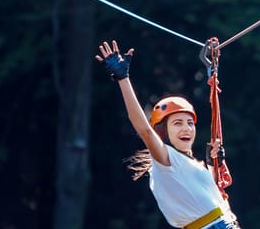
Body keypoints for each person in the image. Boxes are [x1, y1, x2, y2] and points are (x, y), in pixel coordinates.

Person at [95, 40, 240, 229]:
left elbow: (206, 199)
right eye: (177, 123)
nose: (186, 128)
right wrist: (123, 79)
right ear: (163, 131)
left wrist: (213, 164)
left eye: (190, 123)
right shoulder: (166, 159)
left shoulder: (191, 164)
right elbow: (144, 130)